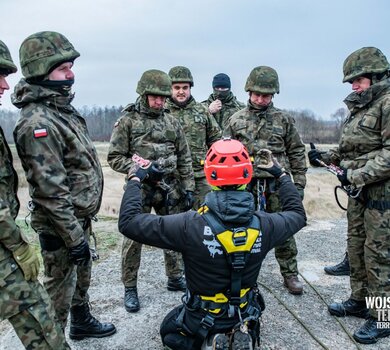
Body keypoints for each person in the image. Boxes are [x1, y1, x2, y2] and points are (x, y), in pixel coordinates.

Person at [118, 138, 306, 350]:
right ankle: (242, 330)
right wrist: (281, 175)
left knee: (168, 332)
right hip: (245, 309)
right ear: (247, 175)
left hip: (201, 316)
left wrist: (135, 179)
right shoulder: (266, 224)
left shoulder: (189, 225)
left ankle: (209, 340)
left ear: (209, 176)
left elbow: (129, 223)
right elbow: (298, 215)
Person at [12, 31, 116, 340]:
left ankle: (81, 322)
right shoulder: (38, 123)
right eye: (63, 68)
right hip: (60, 228)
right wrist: (74, 239)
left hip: (77, 220)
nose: (71, 74)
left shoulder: (60, 110)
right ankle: (52, 342)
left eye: (70, 67)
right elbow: (50, 192)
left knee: (81, 278)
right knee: (58, 293)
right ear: (42, 70)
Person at [308, 46, 390, 344]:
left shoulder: (387, 104)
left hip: (382, 196)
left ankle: (382, 317)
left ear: (377, 76)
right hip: (359, 194)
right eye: (351, 82)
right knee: (355, 247)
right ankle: (359, 300)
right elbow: (352, 149)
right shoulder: (361, 108)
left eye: (359, 80)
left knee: (379, 255)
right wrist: (325, 156)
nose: (353, 86)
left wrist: (354, 175)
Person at [0, 38, 71, 350]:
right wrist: (18, 247)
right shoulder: (36, 120)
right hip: (6, 248)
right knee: (42, 325)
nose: (4, 85)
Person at [107, 69, 195, 313]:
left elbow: (184, 156)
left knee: (175, 233)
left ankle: (175, 277)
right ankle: (130, 287)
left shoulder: (171, 120)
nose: (159, 101)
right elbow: (115, 157)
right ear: (144, 94)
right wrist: (139, 169)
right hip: (140, 188)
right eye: (154, 97)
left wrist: (188, 188)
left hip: (170, 187)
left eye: (162, 97)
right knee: (134, 239)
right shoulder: (128, 120)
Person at [224, 66, 307, 295]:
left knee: (284, 230)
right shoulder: (235, 119)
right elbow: (224, 153)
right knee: (240, 230)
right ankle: (239, 273)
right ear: (249, 92)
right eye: (257, 94)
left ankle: (290, 273)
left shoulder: (284, 120)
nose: (260, 99)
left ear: (273, 95)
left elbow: (297, 152)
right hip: (245, 187)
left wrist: (297, 185)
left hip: (277, 185)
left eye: (266, 95)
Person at [166, 66, 221, 209]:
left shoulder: (202, 110)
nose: (181, 91)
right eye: (176, 87)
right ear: (169, 88)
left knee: (207, 217)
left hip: (200, 175)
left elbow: (216, 140)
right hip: (172, 176)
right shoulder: (162, 112)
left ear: (190, 88)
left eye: (185, 87)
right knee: (173, 223)